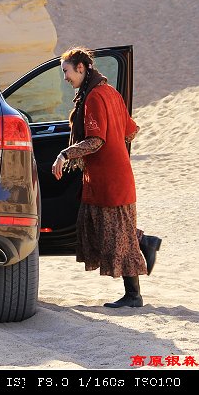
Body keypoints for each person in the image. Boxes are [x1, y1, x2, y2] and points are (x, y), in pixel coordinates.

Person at [51, 46, 162, 308]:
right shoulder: (110, 92)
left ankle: (133, 294)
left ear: (81, 68)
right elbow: (130, 131)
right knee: (111, 232)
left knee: (117, 238)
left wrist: (65, 154)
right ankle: (144, 241)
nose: (65, 78)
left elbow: (96, 141)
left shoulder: (94, 97)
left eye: (66, 72)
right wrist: (116, 145)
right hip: (114, 176)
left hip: (109, 180)